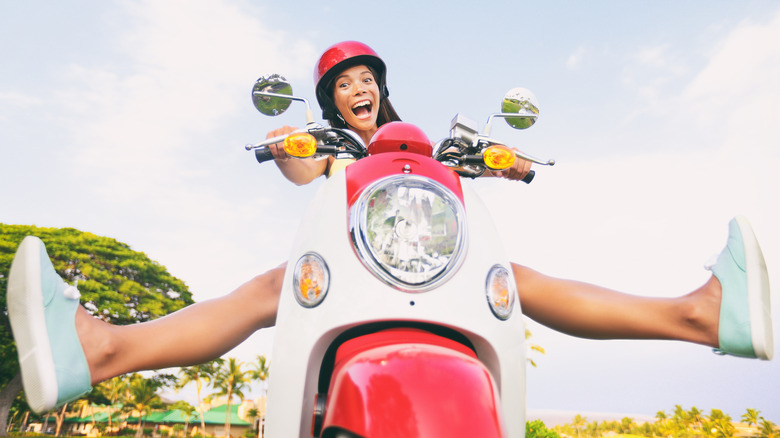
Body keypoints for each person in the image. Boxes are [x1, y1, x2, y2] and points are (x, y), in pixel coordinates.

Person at [6, 41, 773, 415]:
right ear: (331, 101)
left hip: (437, 261)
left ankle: (701, 313)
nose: (357, 89)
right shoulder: (330, 146)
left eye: (365, 79)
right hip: (344, 267)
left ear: (381, 87)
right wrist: (284, 147)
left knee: (517, 281)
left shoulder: (421, 146)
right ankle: (102, 348)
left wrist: (506, 161)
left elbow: (490, 163)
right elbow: (300, 172)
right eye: (343, 85)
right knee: (269, 287)